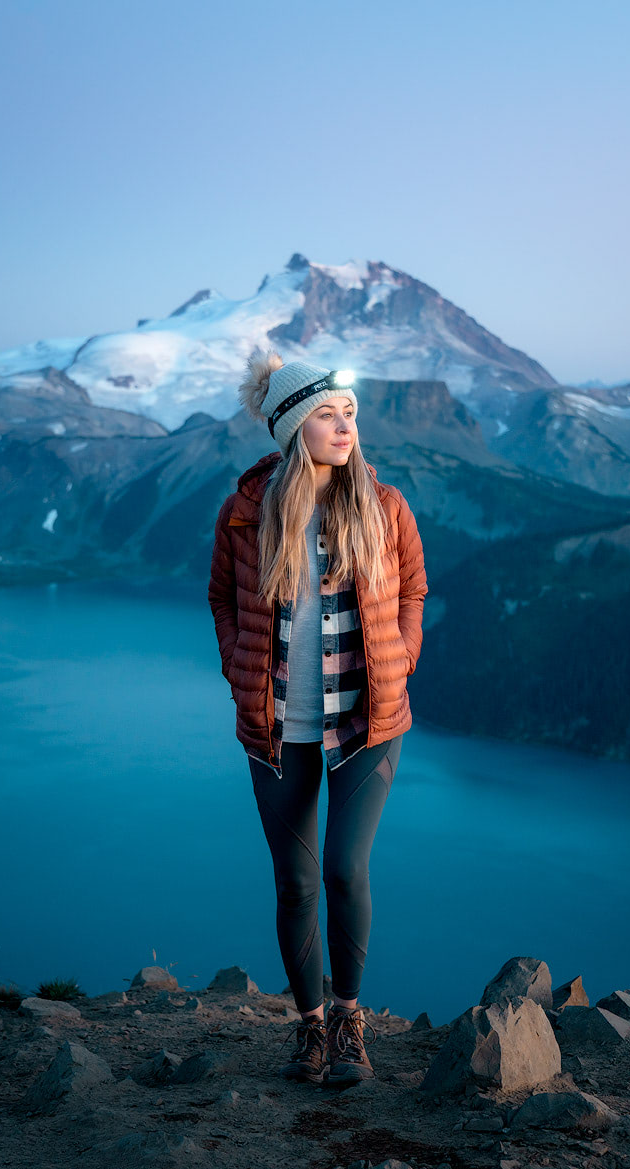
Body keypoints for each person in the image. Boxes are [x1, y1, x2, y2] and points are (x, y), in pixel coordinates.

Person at [207, 349, 427, 1087]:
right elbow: (219, 598)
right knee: (295, 883)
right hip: (278, 730)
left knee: (343, 869)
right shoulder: (245, 514)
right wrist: (242, 665)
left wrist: (399, 661)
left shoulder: (384, 504)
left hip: (368, 723)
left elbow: (414, 592)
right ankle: (306, 1030)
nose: (346, 427)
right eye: (329, 414)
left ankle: (348, 1020)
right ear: (294, 426)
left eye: (350, 413)